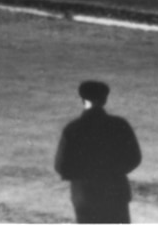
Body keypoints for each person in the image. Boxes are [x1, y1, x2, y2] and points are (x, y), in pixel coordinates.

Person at [54, 79, 142, 223]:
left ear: (83, 99)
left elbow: (61, 166)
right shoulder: (119, 125)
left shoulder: (73, 129)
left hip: (85, 194)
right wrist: (114, 171)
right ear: (105, 100)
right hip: (115, 191)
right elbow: (134, 157)